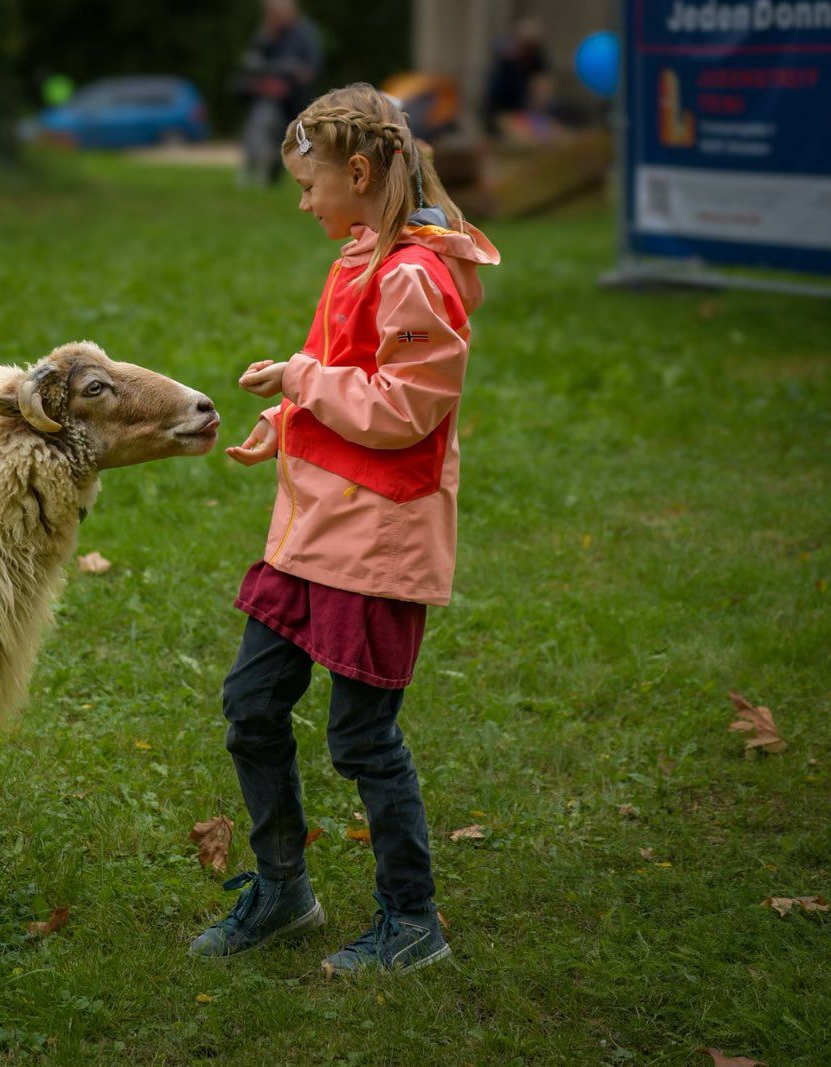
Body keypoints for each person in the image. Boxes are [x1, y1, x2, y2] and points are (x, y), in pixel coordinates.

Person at [191, 83, 498, 975]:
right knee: (251, 705)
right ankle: (283, 887)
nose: (303, 201)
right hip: (313, 533)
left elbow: (405, 408)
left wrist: (298, 382)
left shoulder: (415, 275)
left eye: (309, 184)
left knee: (361, 738)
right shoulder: (364, 253)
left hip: (377, 544)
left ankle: (413, 919)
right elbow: (345, 376)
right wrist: (287, 423)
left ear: (358, 173)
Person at [236, 0, 322, 187]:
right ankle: (256, 172)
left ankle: (273, 174)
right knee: (260, 127)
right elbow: (251, 63)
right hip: (269, 98)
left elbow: (309, 71)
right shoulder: (267, 34)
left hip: (296, 100)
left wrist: (286, 73)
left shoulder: (305, 34)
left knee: (295, 140)